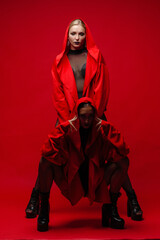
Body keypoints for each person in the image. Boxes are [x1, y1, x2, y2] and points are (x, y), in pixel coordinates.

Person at [25, 19, 143, 222]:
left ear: (86, 36)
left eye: (81, 34)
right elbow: (57, 93)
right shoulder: (59, 60)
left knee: (114, 154)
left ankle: (132, 199)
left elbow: (102, 87)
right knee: (51, 153)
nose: (77, 38)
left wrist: (92, 115)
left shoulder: (96, 57)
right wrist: (69, 120)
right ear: (67, 35)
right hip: (68, 117)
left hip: (92, 113)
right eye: (73, 34)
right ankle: (36, 197)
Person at [37, 97, 129, 231]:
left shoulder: (100, 130)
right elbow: (47, 150)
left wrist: (106, 127)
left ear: (95, 116)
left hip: (96, 181)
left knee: (123, 162)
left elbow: (122, 151)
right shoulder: (69, 130)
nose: (87, 121)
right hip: (72, 181)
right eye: (83, 116)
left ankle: (110, 208)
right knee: (44, 161)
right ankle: (44, 209)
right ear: (77, 115)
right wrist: (66, 127)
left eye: (91, 116)